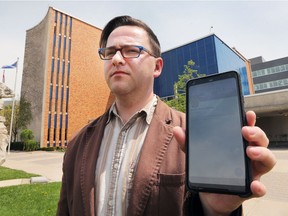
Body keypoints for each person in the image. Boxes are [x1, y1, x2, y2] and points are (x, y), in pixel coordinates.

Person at [57, 15, 276, 216]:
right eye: (109, 52)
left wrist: (214, 210)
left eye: (131, 50)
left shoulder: (192, 134)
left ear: (157, 66)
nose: (116, 59)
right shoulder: (77, 143)